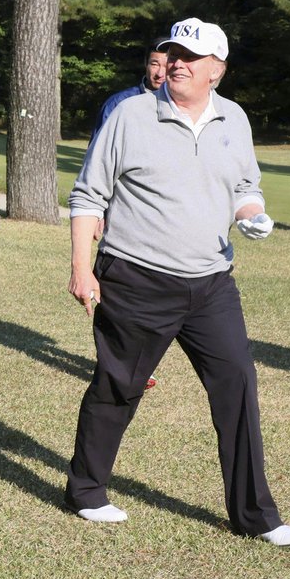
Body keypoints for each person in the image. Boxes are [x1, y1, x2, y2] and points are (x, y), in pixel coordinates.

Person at [64, 17, 290, 548]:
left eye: (189, 57)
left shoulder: (234, 119)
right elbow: (88, 195)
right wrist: (82, 268)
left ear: (216, 70)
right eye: (172, 52)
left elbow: (245, 183)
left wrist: (250, 212)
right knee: (118, 386)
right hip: (135, 278)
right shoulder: (130, 114)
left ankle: (255, 516)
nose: (176, 62)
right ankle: (86, 491)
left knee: (238, 383)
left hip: (211, 281)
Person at [92, 38, 169, 391]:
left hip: (158, 219)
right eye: (154, 63)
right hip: (120, 214)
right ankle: (118, 357)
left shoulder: (181, 108)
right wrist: (98, 211)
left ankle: (139, 358)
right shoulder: (120, 104)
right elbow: (98, 163)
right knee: (118, 286)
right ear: (146, 64)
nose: (160, 71)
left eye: (166, 64)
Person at [91, 38, 168, 137]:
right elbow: (98, 148)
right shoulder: (118, 102)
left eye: (166, 66)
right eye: (154, 64)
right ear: (146, 64)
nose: (160, 73)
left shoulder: (183, 106)